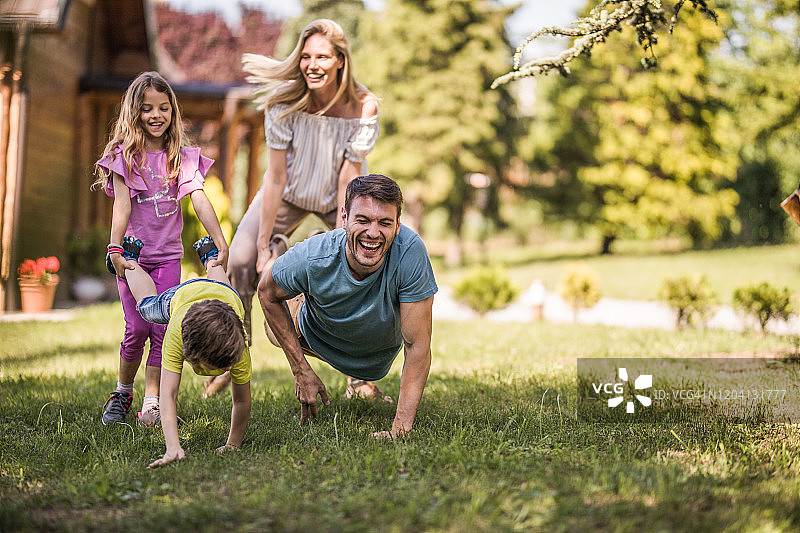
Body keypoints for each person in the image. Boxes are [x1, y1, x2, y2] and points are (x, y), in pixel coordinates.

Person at [207, 19, 380, 397]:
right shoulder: (285, 100)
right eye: (305, 56)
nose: (312, 64)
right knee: (238, 260)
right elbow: (276, 176)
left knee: (356, 270)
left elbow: (347, 179)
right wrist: (264, 242)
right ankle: (235, 357)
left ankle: (359, 378)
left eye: (321, 56)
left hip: (341, 198)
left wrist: (340, 241)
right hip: (287, 192)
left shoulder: (362, 105)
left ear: (340, 61)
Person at [94, 71, 229, 426]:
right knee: (136, 329)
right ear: (134, 113)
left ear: (173, 112)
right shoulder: (125, 156)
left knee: (162, 330)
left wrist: (219, 238)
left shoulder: (181, 156)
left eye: (163, 108)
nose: (156, 116)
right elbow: (121, 205)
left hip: (167, 258)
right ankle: (123, 393)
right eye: (147, 109)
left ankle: (153, 403)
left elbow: (198, 198)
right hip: (134, 258)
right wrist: (114, 248)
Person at [259, 174, 437, 439]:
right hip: (314, 333)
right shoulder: (315, 256)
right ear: (344, 218)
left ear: (398, 225)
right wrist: (301, 370)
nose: (373, 233)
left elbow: (417, 347)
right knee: (272, 327)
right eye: (363, 220)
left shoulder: (410, 252)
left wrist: (400, 428)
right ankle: (279, 258)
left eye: (385, 223)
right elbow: (266, 292)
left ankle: (358, 378)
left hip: (372, 353)